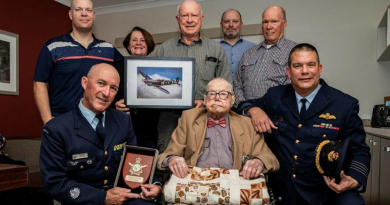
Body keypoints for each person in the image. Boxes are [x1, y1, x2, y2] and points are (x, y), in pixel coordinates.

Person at [238, 43, 370, 205]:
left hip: (325, 189)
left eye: (311, 65)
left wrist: (355, 178)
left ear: (319, 69)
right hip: (281, 188)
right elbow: (242, 105)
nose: (305, 71)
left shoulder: (344, 104)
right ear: (288, 72)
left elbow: (360, 149)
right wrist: (254, 110)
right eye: (297, 66)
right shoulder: (275, 96)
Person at [39, 63, 162, 205]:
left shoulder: (123, 120)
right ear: (84, 83)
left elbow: (137, 161)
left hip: (123, 197)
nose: (106, 93)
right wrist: (103, 198)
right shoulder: (56, 129)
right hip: (84, 201)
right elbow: (54, 183)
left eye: (113, 88)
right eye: (101, 84)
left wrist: (156, 185)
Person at [157, 78, 279, 179]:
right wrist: (172, 159)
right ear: (205, 100)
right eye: (212, 94)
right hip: (196, 185)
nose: (217, 98)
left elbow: (271, 160)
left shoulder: (247, 124)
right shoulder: (189, 118)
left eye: (223, 94)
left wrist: (259, 161)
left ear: (232, 100)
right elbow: (166, 155)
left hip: (235, 185)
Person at [155, 0, 232, 154]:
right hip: (170, 121)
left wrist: (206, 102)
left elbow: (226, 89)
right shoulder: (163, 49)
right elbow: (151, 85)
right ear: (178, 19)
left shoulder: (216, 50)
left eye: (194, 15)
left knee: (203, 163)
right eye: (185, 15)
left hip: (206, 119)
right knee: (168, 162)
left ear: (201, 18)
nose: (190, 20)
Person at [33, 0, 123, 124]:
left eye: (88, 10)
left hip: (98, 123)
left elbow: (127, 75)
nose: (84, 14)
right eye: (78, 9)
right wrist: (48, 120)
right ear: (71, 14)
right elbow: (39, 84)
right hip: (62, 122)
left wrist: (124, 100)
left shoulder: (108, 49)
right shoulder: (53, 46)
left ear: (94, 15)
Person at [233, 6, 297, 106]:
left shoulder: (294, 51)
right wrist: (248, 108)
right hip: (245, 115)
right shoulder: (249, 53)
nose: (268, 26)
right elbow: (237, 84)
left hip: (276, 116)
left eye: (274, 21)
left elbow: (295, 86)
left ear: (284, 24)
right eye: (265, 22)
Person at [114, 26, 159, 149]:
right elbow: (108, 94)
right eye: (134, 40)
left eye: (143, 40)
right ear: (128, 46)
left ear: (148, 45)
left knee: (146, 164)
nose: (138, 43)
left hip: (150, 128)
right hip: (122, 127)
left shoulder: (157, 68)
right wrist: (115, 106)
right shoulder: (116, 68)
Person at [220, 9, 255, 78]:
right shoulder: (213, 49)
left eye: (235, 21)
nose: (231, 25)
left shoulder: (253, 49)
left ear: (241, 25)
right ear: (221, 25)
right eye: (227, 21)